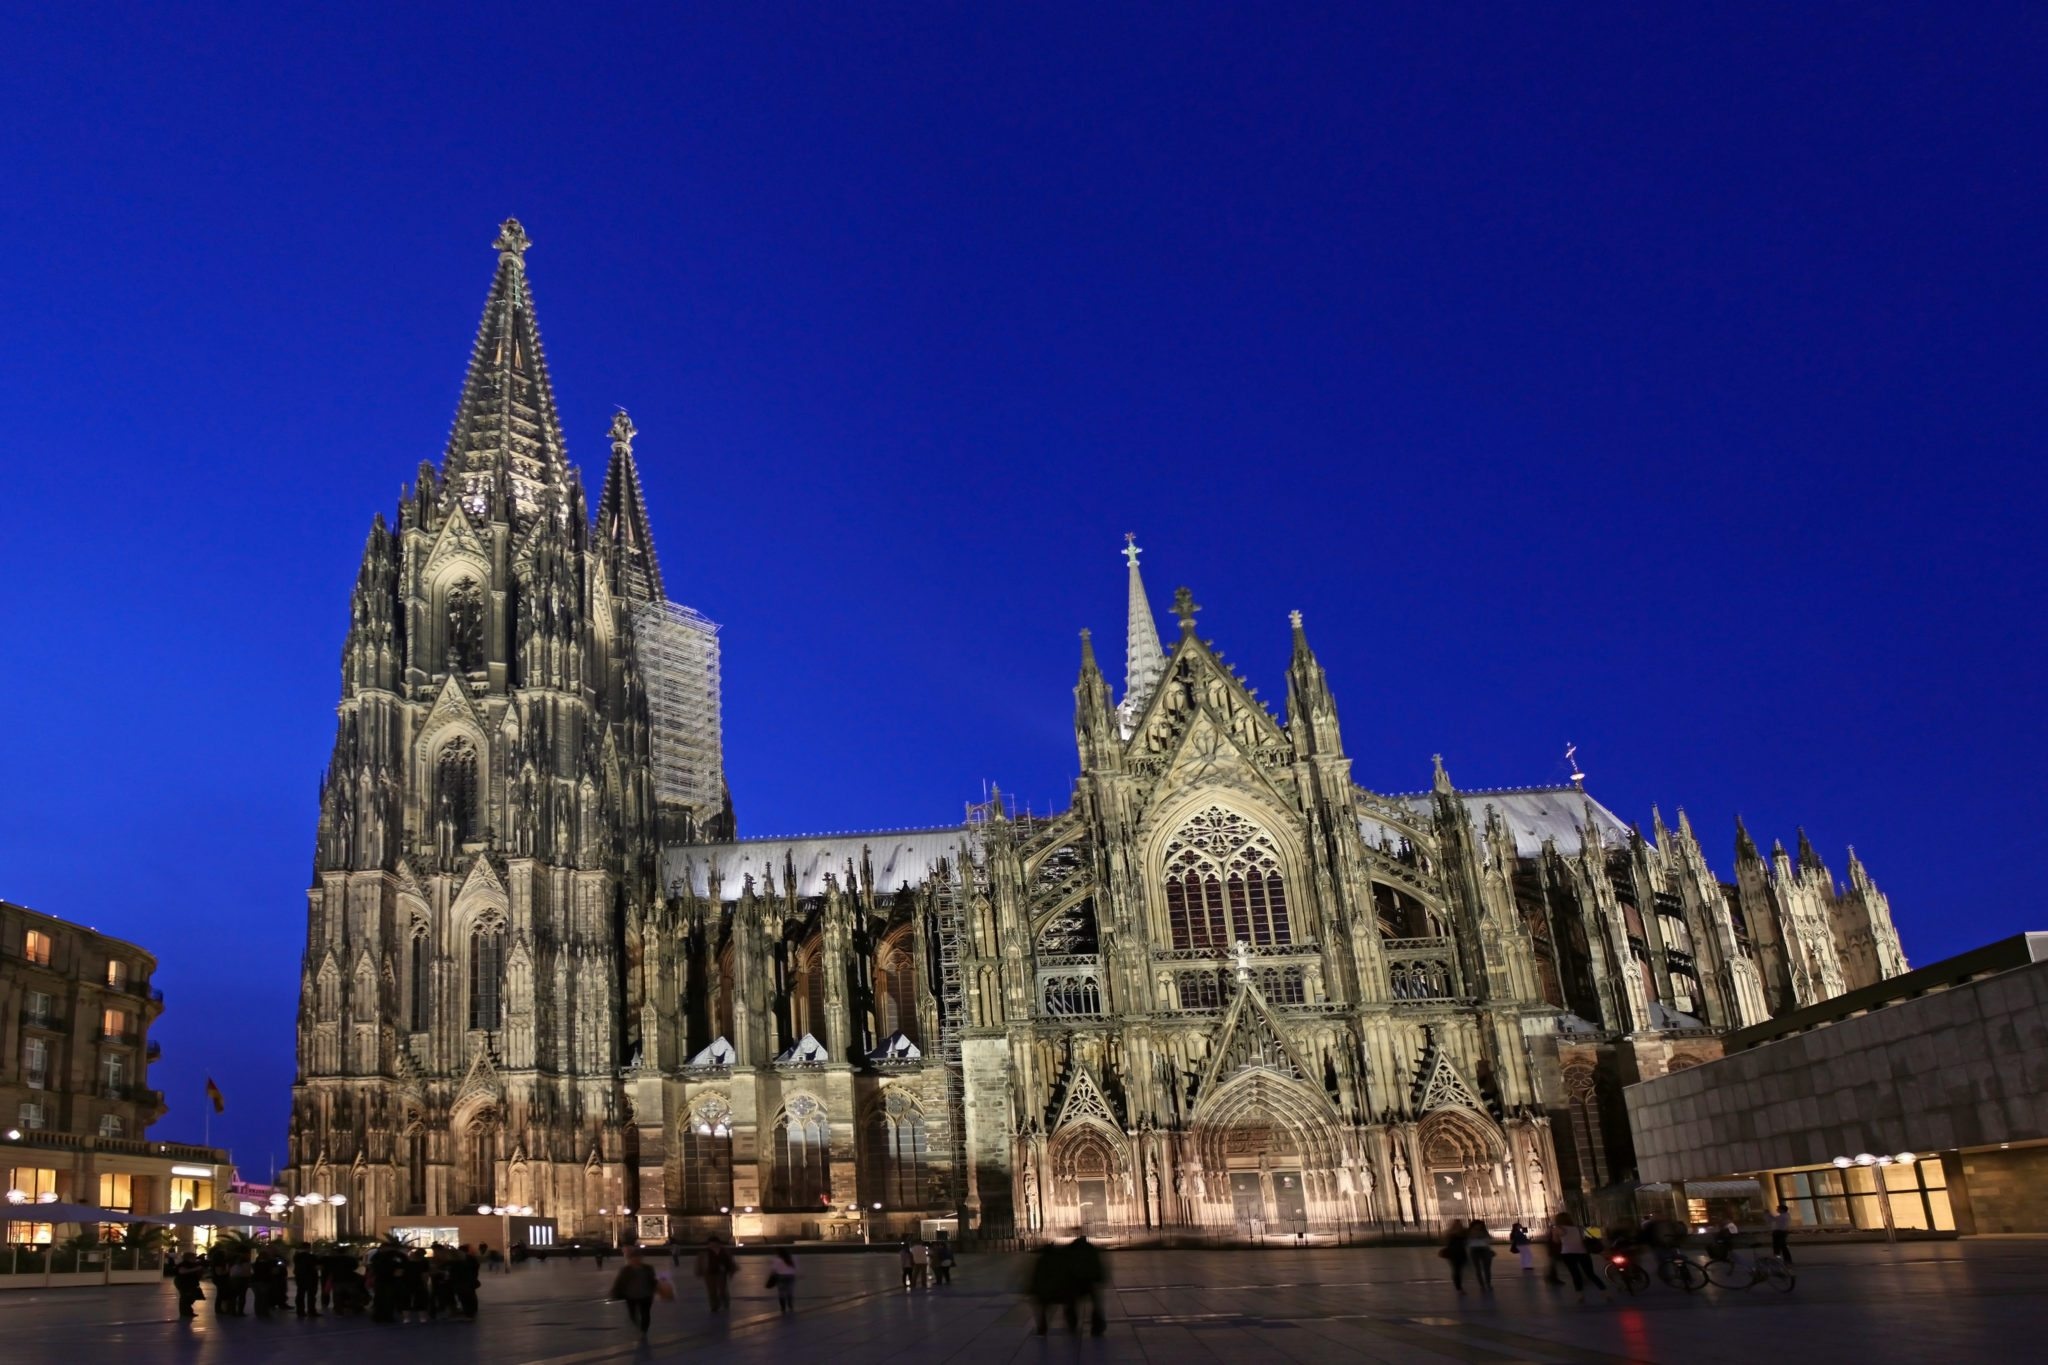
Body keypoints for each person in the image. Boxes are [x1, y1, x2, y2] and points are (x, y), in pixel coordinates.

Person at [1553, 1211, 1606, 1301]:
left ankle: (1580, 1295)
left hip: (1567, 1253)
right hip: (1583, 1252)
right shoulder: (1579, 1228)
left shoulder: (1557, 1229)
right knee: (1591, 1274)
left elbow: (1556, 1241)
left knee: (1575, 1274)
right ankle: (1605, 1292)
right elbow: (1590, 1236)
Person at [1027, 1240, 1076, 1335]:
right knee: (1070, 1303)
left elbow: (1036, 1278)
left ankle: (1042, 1327)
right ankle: (1072, 1322)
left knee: (1042, 1308)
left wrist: (1033, 1290)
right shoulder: (1061, 1261)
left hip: (1046, 1293)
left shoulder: (1041, 1261)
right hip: (1061, 1292)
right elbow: (1068, 1276)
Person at [610, 1245, 658, 1336]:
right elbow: (619, 1281)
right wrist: (615, 1291)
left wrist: (656, 1288)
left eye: (638, 1257)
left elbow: (653, 1280)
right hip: (631, 1295)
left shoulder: (648, 1268)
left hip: (646, 1295)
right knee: (632, 1313)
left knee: (645, 1313)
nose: (636, 1260)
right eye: (634, 1258)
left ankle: (644, 1329)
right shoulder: (626, 1270)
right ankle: (637, 1325)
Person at [1068, 1235, 1108, 1337]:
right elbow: (1096, 1264)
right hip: (1088, 1281)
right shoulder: (1090, 1248)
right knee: (1095, 1304)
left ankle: (1072, 1324)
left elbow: (1066, 1265)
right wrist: (1099, 1277)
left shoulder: (1071, 1249)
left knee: (1072, 1303)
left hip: (1074, 1281)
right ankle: (1097, 1326)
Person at [697, 1233, 735, 1312]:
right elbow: (699, 1263)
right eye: (710, 1244)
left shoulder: (725, 1251)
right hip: (709, 1273)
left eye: (714, 1243)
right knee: (711, 1291)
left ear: (718, 1243)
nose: (712, 1245)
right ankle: (714, 1306)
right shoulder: (704, 1252)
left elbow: (730, 1262)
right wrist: (699, 1271)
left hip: (721, 1273)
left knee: (722, 1290)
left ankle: (725, 1300)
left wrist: (731, 1271)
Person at [449, 1244, 481, 1320]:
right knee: (470, 1296)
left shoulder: (459, 1261)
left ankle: (469, 1313)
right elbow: (475, 1268)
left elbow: (454, 1271)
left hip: (463, 1282)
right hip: (469, 1281)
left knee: (465, 1297)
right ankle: (472, 1311)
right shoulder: (471, 1259)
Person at [174, 1251, 207, 1318]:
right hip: (183, 1283)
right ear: (189, 1258)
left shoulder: (193, 1264)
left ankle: (188, 1312)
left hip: (190, 1283)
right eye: (193, 1257)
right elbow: (182, 1271)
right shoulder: (184, 1264)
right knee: (186, 1297)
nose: (195, 1258)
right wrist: (196, 1269)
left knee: (190, 1297)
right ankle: (185, 1313)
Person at [1465, 1220, 1495, 1292]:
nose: (1478, 1226)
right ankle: (1482, 1285)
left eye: (1479, 1225)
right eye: (1476, 1225)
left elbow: (1490, 1240)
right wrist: (1473, 1237)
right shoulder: (1468, 1232)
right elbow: (1466, 1242)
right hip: (1474, 1250)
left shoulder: (1484, 1232)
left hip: (1485, 1249)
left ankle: (1488, 1284)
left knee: (1487, 1268)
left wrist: (1483, 1237)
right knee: (1478, 1269)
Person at [293, 1244, 321, 1317]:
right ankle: (311, 1311)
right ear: (309, 1248)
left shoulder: (296, 1257)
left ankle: (300, 1311)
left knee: (300, 1294)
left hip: (300, 1278)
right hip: (311, 1278)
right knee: (311, 1295)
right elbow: (317, 1267)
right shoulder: (312, 1257)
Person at [1440, 1223, 1469, 1293]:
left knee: (1459, 1270)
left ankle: (1459, 1285)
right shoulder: (1450, 1234)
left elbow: (1467, 1242)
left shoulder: (1464, 1233)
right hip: (1453, 1254)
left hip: (1461, 1253)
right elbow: (1445, 1242)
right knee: (1456, 1270)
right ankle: (1459, 1287)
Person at [767, 1248, 797, 1313]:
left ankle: (783, 1308)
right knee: (790, 1292)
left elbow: (774, 1270)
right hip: (791, 1276)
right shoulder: (791, 1258)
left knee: (781, 1293)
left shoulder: (777, 1260)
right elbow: (794, 1268)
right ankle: (790, 1305)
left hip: (781, 1277)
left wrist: (771, 1277)